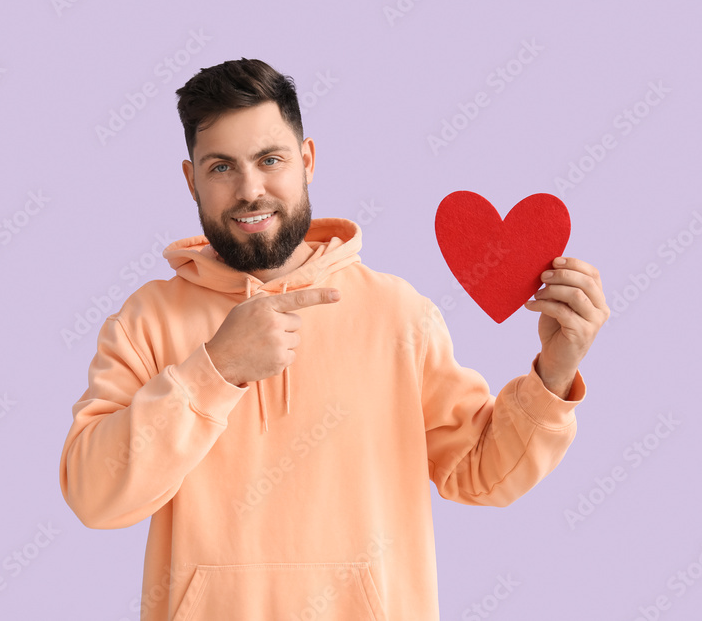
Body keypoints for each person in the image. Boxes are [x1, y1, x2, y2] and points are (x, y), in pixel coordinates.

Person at [59, 58, 609, 620]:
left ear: (307, 161)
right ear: (190, 178)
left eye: (269, 160)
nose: (251, 190)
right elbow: (95, 497)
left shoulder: (398, 313)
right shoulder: (145, 320)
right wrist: (215, 370)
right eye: (221, 167)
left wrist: (554, 374)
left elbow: (479, 473)